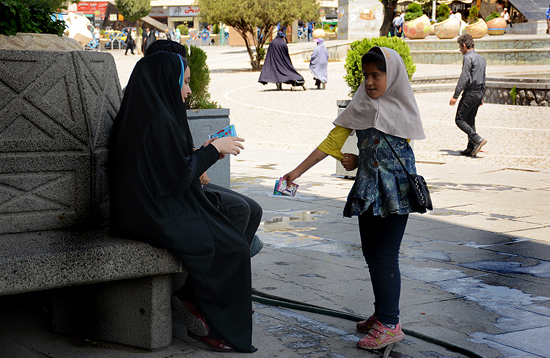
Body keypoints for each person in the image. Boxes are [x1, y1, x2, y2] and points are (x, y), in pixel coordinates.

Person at [109, 51, 256, 353]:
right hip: (151, 212)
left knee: (229, 229)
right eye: (185, 82)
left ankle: (203, 304)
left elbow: (171, 167)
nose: (189, 91)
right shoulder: (158, 119)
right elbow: (177, 177)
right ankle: (216, 326)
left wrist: (201, 154)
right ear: (167, 81)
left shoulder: (146, 112)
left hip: (146, 206)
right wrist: (213, 150)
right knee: (230, 244)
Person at [282, 47, 425, 351]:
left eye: (377, 75)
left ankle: (391, 323)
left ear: (393, 75)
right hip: (366, 190)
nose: (370, 82)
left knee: (386, 255)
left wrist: (364, 158)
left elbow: (397, 154)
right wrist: (297, 172)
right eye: (366, 75)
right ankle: (382, 311)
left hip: (394, 194)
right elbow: (330, 143)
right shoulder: (360, 105)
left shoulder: (403, 108)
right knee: (371, 253)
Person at [144, 39, 264, 257]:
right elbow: (176, 171)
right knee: (239, 210)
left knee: (253, 209)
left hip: (182, 187)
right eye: (186, 81)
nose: (190, 90)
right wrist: (209, 152)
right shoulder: (153, 114)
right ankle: (222, 272)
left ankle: (235, 263)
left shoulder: (165, 106)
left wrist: (207, 152)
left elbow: (181, 157)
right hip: (168, 200)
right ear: (168, 73)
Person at [450, 34, 487, 157]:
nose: (460, 50)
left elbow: (464, 77)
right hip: (479, 92)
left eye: (460, 47)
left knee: (459, 119)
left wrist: (455, 95)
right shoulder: (482, 59)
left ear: (464, 45)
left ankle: (476, 139)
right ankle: (471, 147)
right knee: (470, 120)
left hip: (470, 92)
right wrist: (482, 96)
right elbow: (484, 78)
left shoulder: (468, 58)